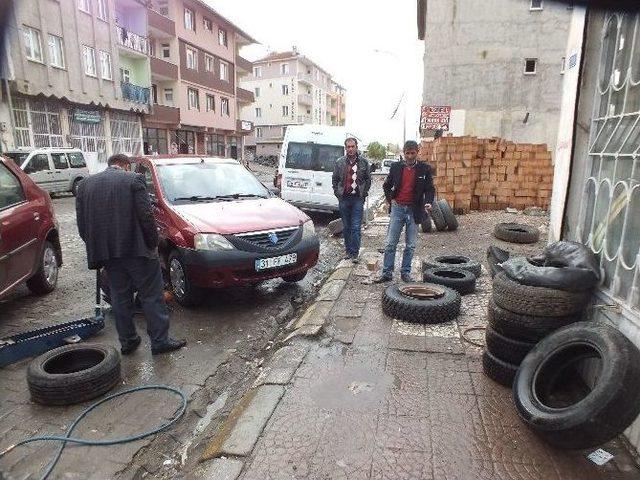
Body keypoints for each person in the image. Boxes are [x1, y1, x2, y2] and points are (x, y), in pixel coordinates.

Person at [76, 154, 186, 356]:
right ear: (126, 166)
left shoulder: (85, 185)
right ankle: (160, 341)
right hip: (138, 252)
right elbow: (146, 217)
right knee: (152, 296)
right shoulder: (133, 180)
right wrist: (153, 244)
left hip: (108, 254)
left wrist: (99, 248)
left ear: (110, 165)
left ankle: (128, 341)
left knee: (120, 296)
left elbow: (82, 226)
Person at [374, 140, 435, 283]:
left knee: (411, 244)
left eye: (412, 153)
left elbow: (430, 189)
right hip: (398, 209)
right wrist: (391, 200)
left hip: (415, 210)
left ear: (417, 152)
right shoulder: (396, 167)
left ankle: (405, 273)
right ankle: (387, 273)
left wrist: (428, 202)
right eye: (407, 153)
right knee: (390, 243)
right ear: (404, 153)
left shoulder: (424, 169)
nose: (409, 156)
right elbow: (386, 186)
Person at [332, 137, 372, 263]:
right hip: (344, 199)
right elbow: (335, 179)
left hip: (357, 200)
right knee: (347, 227)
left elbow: (368, 180)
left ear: (356, 147)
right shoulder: (340, 162)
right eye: (348, 147)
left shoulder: (364, 162)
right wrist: (338, 193)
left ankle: (355, 253)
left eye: (352, 146)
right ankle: (348, 252)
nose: (350, 149)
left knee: (355, 227)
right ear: (345, 148)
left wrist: (363, 194)